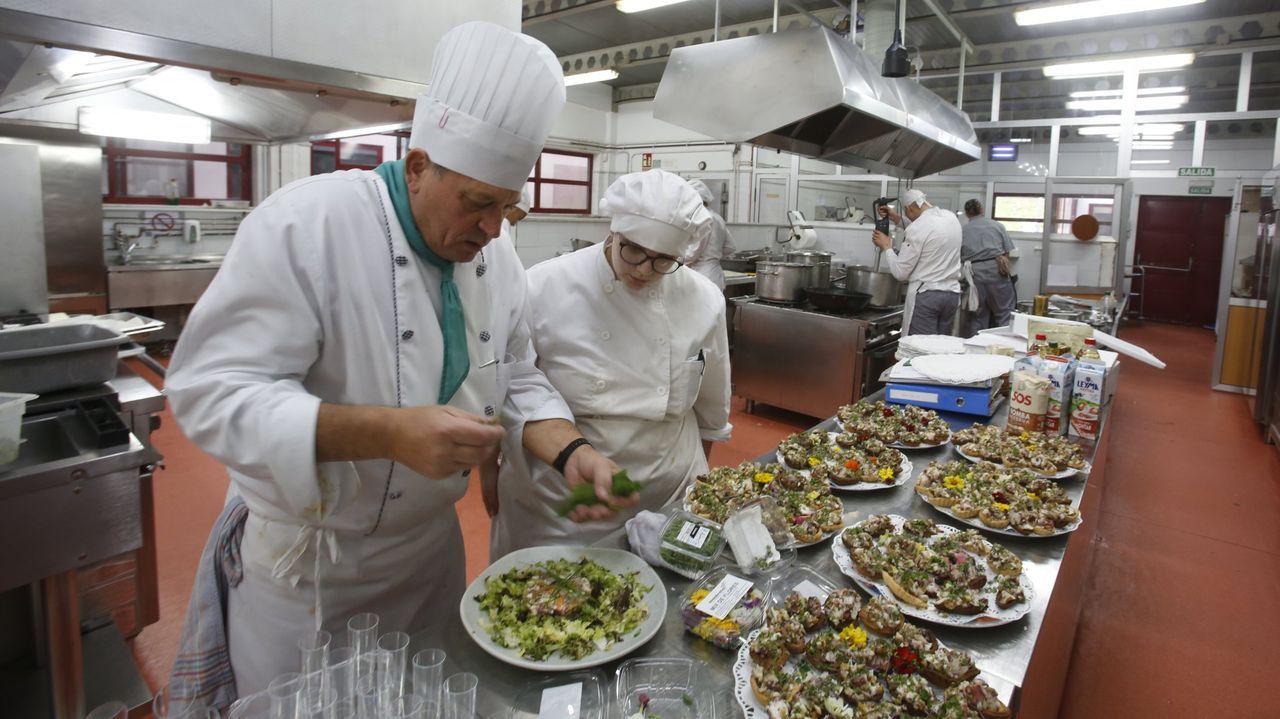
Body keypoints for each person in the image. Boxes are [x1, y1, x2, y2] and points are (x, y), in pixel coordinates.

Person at [165, 22, 627, 698]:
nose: (495, 229)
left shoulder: (494, 257)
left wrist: (571, 450)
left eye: (509, 209)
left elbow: (516, 370)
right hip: (313, 576)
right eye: (478, 204)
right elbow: (211, 392)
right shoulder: (308, 226)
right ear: (417, 167)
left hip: (429, 563)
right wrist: (386, 431)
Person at [487, 169, 733, 558]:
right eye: (632, 250)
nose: (642, 269)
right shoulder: (543, 286)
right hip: (563, 504)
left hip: (667, 492)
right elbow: (509, 388)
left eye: (663, 260)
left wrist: (697, 487)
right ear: (613, 231)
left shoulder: (703, 299)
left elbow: (711, 409)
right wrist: (490, 471)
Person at [872, 188, 963, 335]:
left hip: (928, 297)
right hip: (951, 295)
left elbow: (900, 273)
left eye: (906, 212)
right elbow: (926, 230)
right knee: (939, 350)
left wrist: (886, 246)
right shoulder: (950, 218)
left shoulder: (918, 227)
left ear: (908, 208)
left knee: (918, 349)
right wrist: (895, 217)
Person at [960, 199, 1017, 334]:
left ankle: (977, 348)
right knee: (1005, 312)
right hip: (996, 270)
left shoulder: (963, 230)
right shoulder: (997, 226)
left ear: (967, 213)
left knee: (978, 314)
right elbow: (1007, 251)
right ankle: (1004, 346)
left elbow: (959, 255)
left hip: (974, 274)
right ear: (982, 210)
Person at [682, 179, 736, 289]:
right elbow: (730, 247)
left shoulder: (702, 218)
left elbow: (692, 254)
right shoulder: (717, 218)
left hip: (702, 275)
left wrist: (672, 259)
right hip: (715, 274)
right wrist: (713, 255)